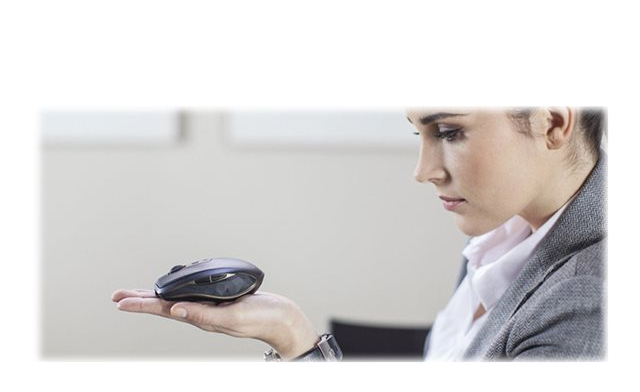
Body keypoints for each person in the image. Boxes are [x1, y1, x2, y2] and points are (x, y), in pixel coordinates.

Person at [112, 107, 606, 361]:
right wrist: (289, 332)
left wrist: (301, 347)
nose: (423, 171)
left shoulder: (591, 303)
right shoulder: (504, 230)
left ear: (552, 122)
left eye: (449, 132)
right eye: (418, 133)